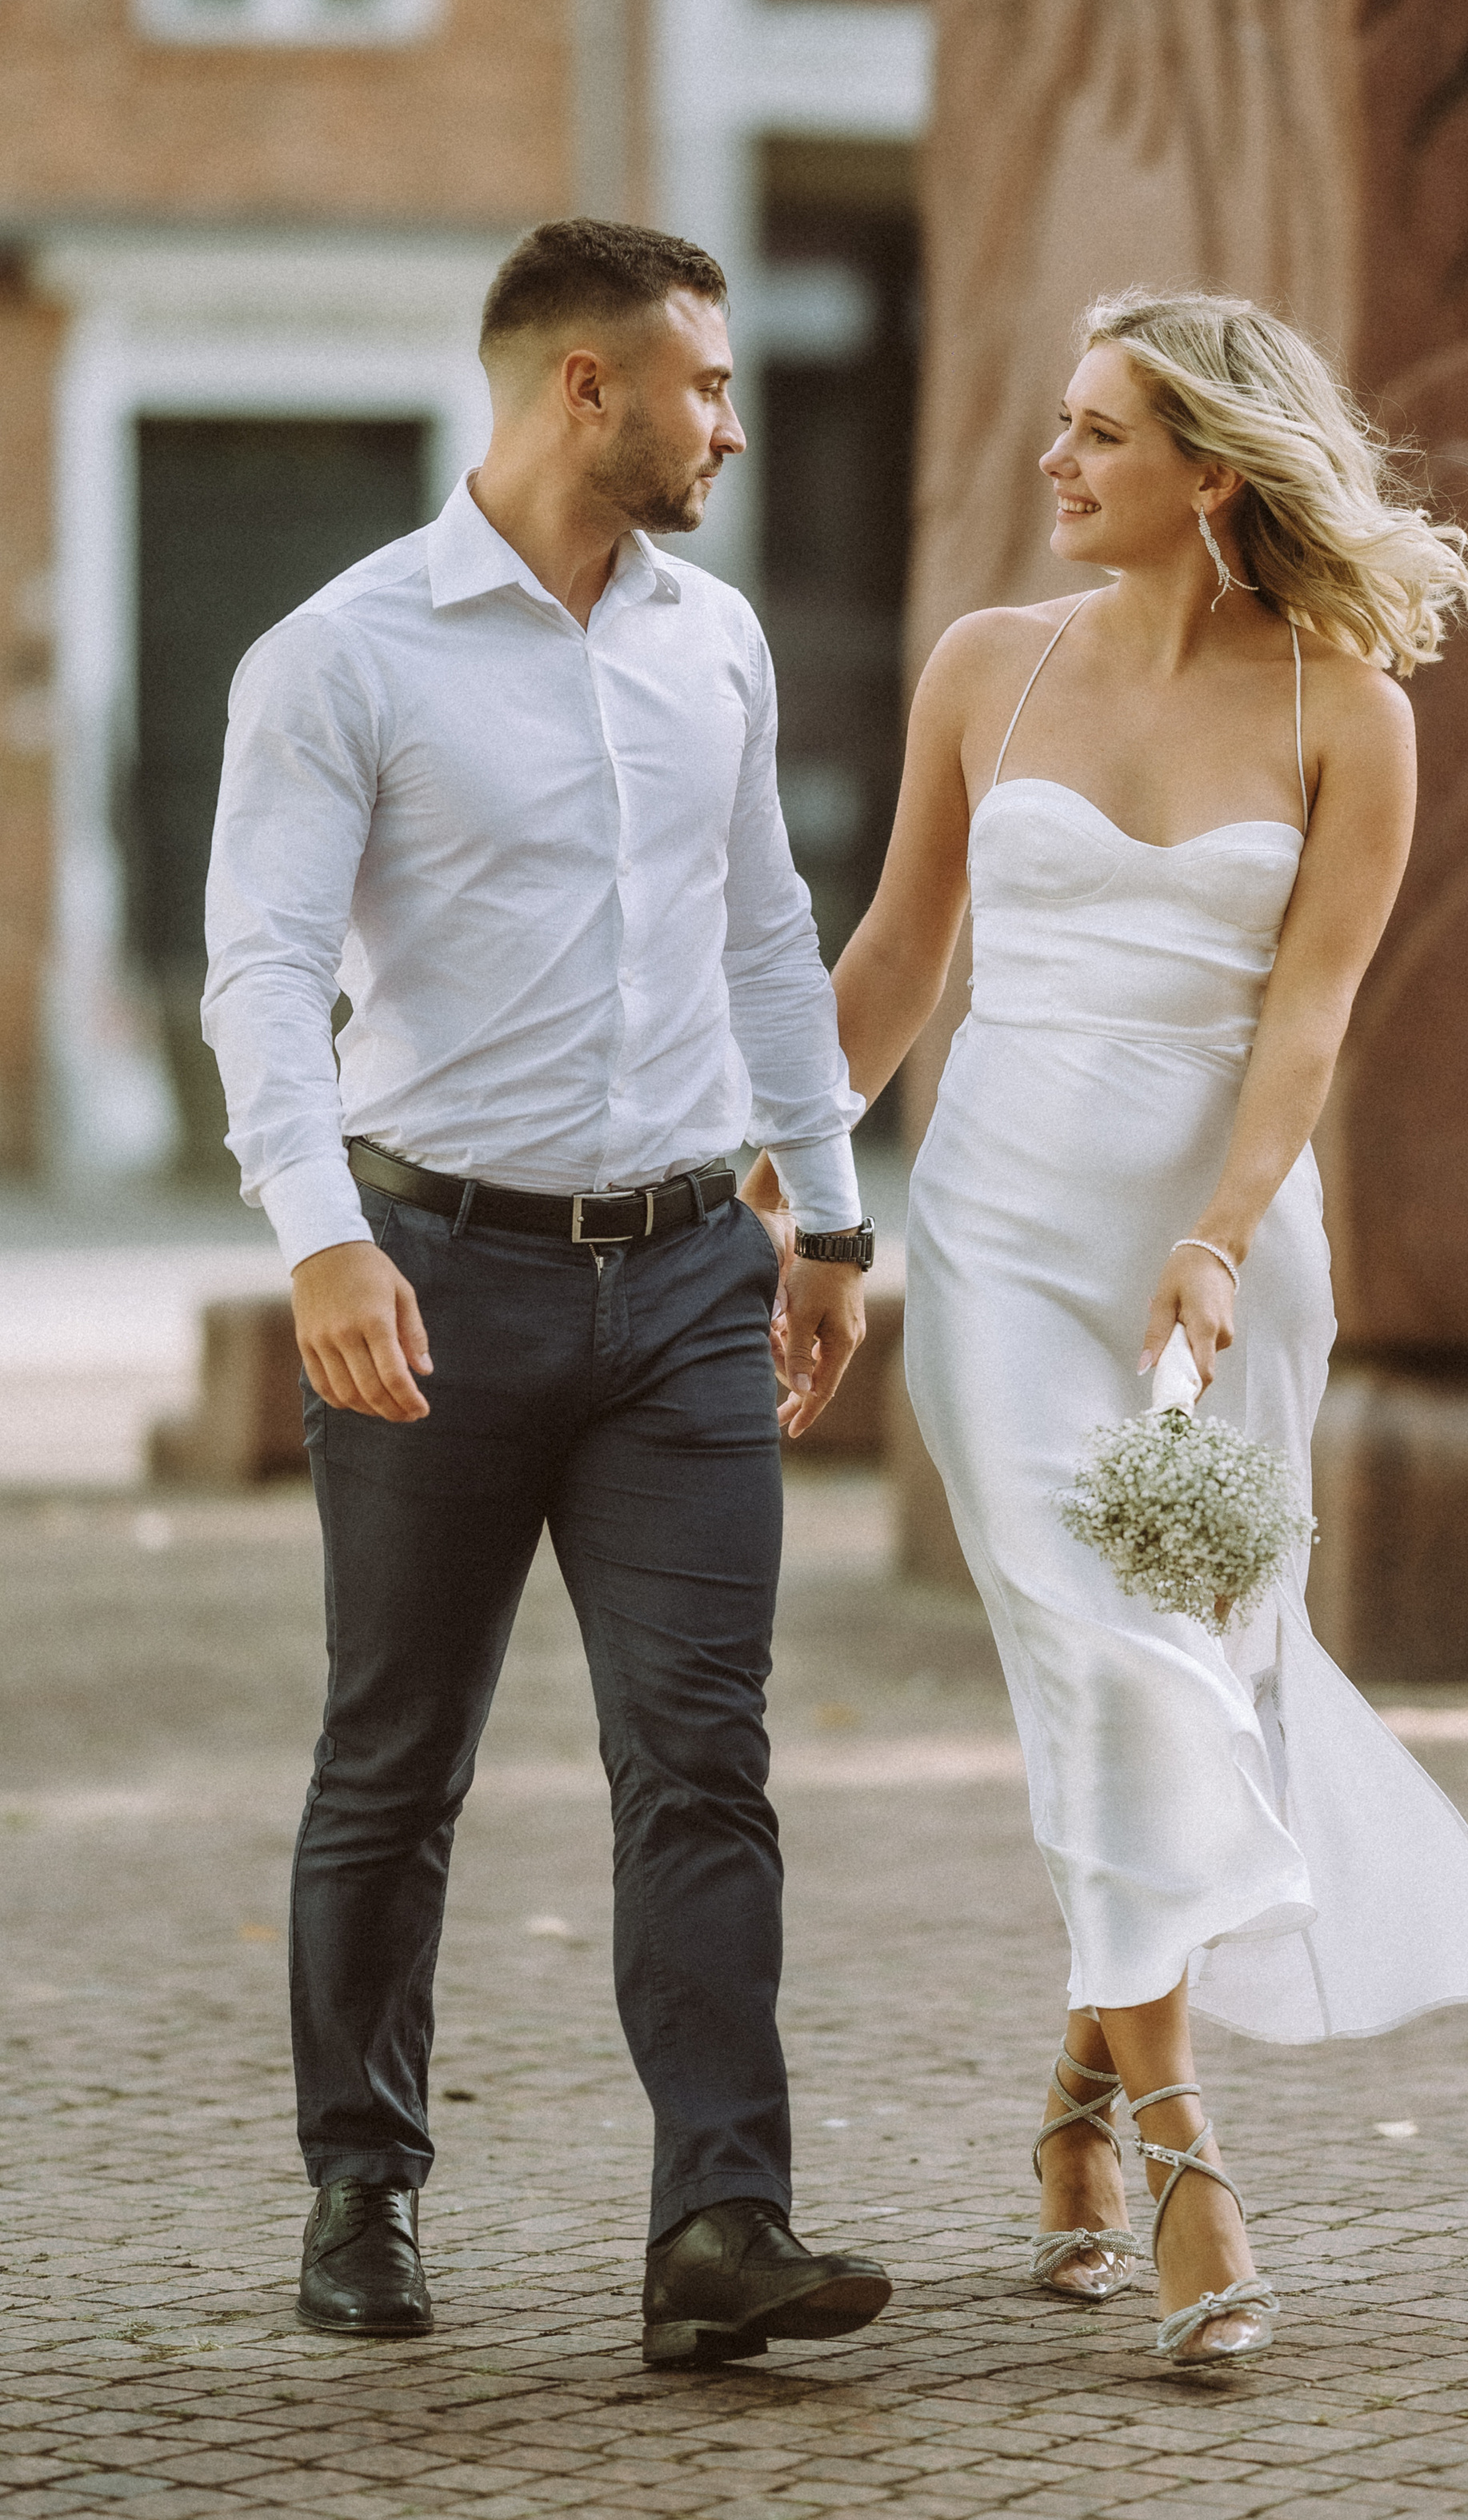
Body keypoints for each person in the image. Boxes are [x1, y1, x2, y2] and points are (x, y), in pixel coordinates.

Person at [754, 288, 1468, 2367]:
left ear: (1214, 470)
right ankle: (1189, 2150)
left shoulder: (1344, 707)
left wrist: (1216, 1234)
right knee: (1112, 1666)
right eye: (1063, 424)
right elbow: (902, 955)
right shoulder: (985, 672)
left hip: (1220, 1269)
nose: (1056, 459)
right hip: (1004, 1247)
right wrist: (769, 1162)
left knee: (1193, 1675)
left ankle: (1077, 2099)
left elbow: (1308, 1017)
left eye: (1101, 431)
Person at [202, 218, 890, 2369]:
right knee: (395, 1753)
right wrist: (318, 1231)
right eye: (701, 382)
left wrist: (838, 1218)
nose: (731, 420)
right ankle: (365, 2178)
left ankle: (722, 2218)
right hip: (432, 1276)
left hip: (691, 1271)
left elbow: (770, 927)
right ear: (583, 388)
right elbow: (258, 966)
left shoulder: (715, 642)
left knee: (703, 1754)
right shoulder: (345, 654)